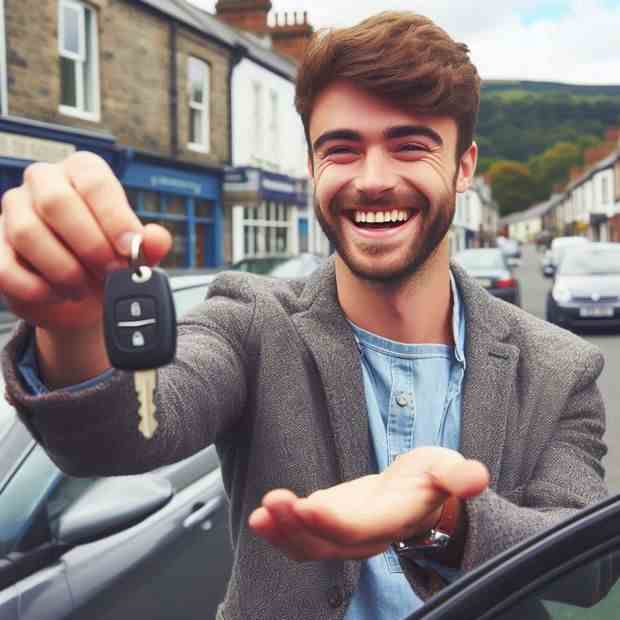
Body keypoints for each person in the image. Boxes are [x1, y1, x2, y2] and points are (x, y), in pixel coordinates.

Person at [0, 11, 608, 620]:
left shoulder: (560, 366)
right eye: (341, 149)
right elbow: (119, 440)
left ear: (465, 166)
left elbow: (588, 565)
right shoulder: (250, 323)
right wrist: (71, 325)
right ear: (314, 167)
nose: (372, 180)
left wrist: (441, 521)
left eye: (410, 146)